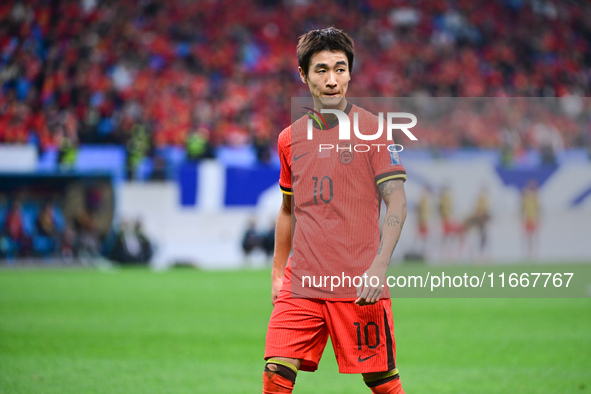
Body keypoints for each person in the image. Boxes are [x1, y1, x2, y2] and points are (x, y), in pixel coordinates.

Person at [263, 28, 407, 394]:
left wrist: (379, 267)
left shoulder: (373, 131)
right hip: (302, 283)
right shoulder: (289, 139)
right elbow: (287, 210)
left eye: (340, 69)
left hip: (358, 284)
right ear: (303, 74)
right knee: (276, 374)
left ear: (350, 73)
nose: (332, 80)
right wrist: (279, 273)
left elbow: (397, 202)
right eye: (321, 70)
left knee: (382, 382)